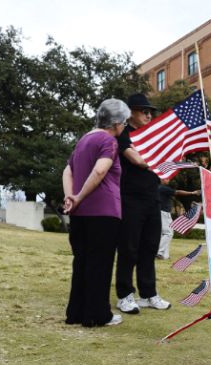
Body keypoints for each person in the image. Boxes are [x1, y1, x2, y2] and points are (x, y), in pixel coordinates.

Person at [62, 99, 130, 327]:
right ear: (117, 123)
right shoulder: (108, 141)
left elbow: (67, 170)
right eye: (125, 122)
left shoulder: (83, 140)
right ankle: (98, 315)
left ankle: (76, 313)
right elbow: (101, 170)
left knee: (81, 262)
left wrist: (70, 197)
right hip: (104, 212)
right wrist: (79, 196)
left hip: (79, 214)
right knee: (100, 264)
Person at [115, 93, 170, 314]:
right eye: (143, 111)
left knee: (149, 248)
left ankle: (148, 294)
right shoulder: (123, 134)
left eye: (150, 112)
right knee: (129, 248)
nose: (149, 115)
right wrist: (157, 163)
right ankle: (125, 295)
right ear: (130, 113)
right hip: (130, 198)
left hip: (152, 198)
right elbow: (136, 159)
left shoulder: (151, 137)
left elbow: (163, 172)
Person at [157, 179, 201, 260]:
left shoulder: (157, 187)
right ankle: (158, 252)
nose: (168, 180)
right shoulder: (163, 188)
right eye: (166, 178)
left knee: (163, 233)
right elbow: (177, 192)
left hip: (160, 212)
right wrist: (192, 193)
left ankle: (164, 255)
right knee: (168, 233)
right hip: (163, 212)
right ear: (161, 179)